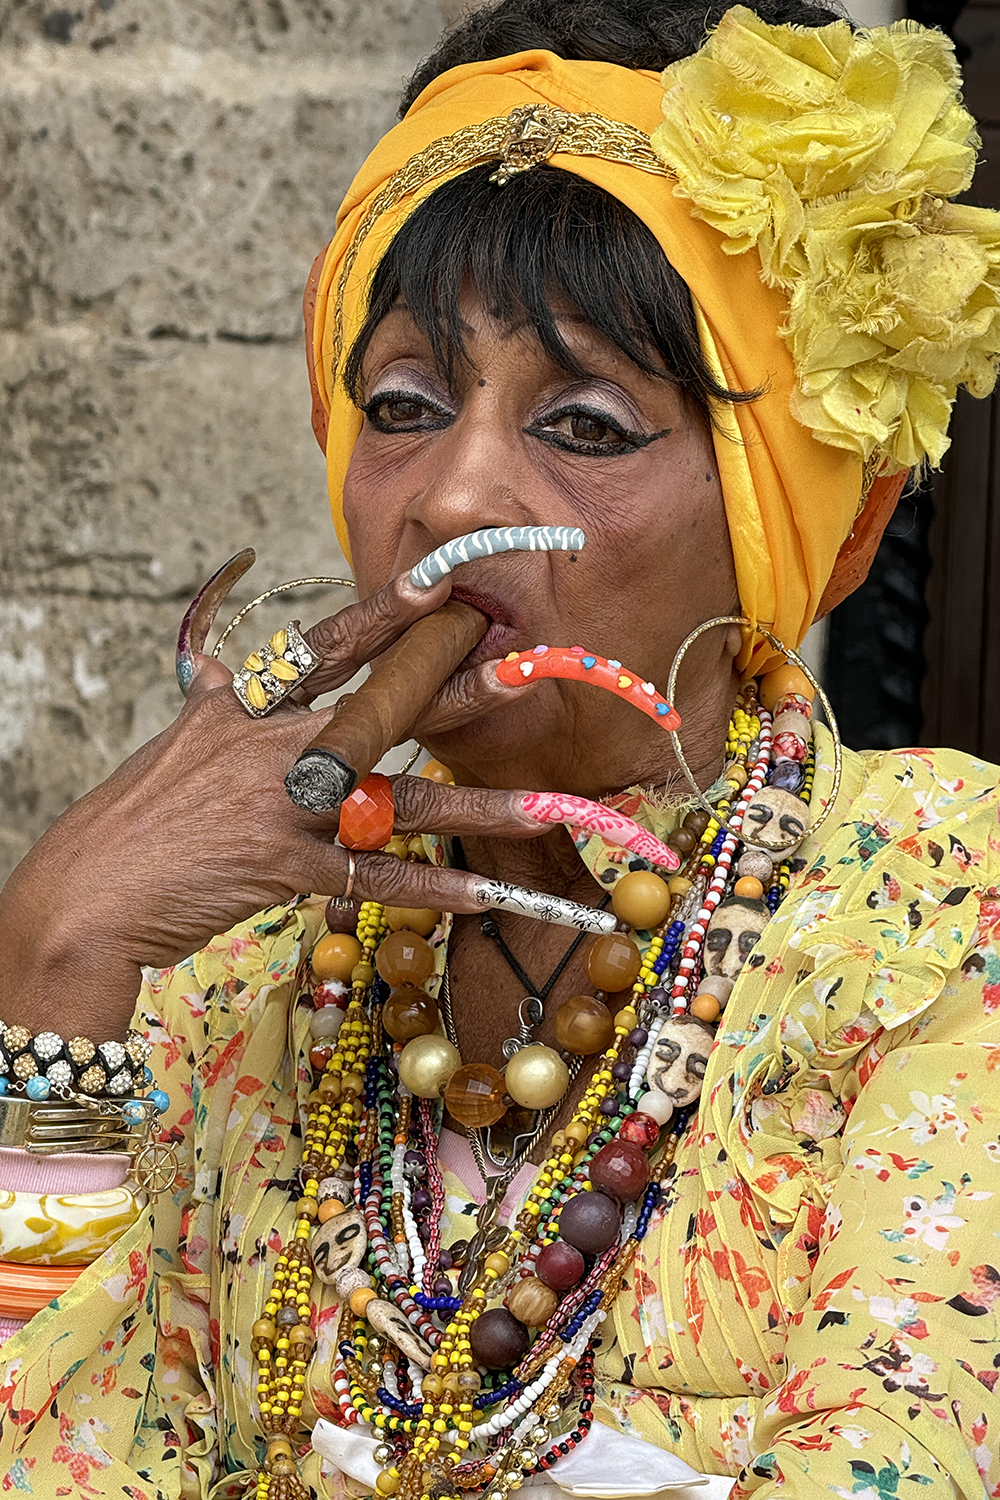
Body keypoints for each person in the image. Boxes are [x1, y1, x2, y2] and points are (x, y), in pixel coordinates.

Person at [1, 0, 999, 1496]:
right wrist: (54, 957)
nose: (453, 493)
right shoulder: (227, 968)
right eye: (400, 406)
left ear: (768, 510)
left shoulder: (944, 919)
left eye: (587, 425)